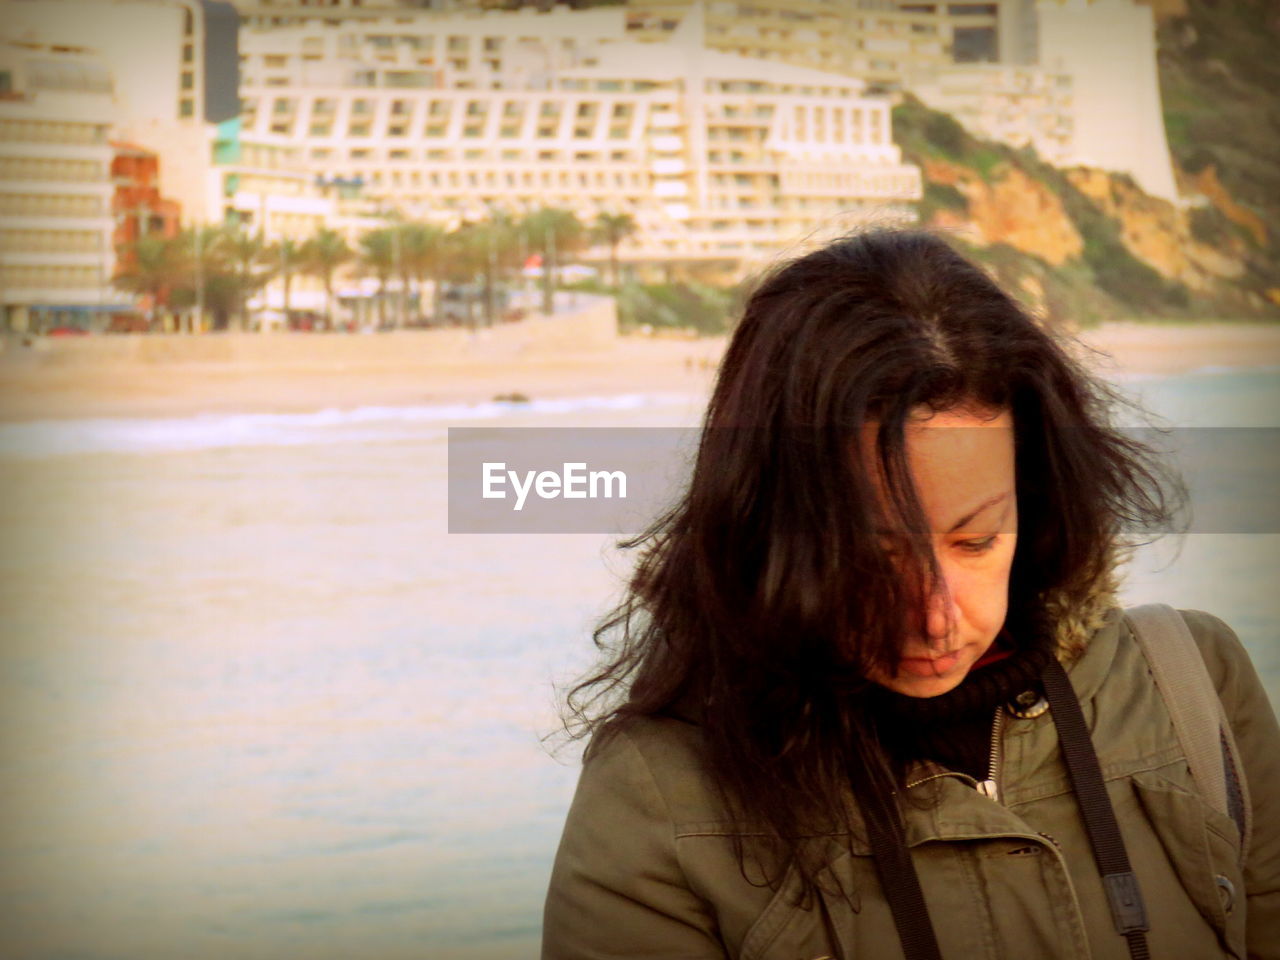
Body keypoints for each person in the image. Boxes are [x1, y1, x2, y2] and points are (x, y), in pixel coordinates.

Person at [541, 228, 1280, 959]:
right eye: (872, 554)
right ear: (771, 524)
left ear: (1037, 499)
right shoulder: (657, 796)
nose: (934, 617)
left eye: (976, 541)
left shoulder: (1191, 685)